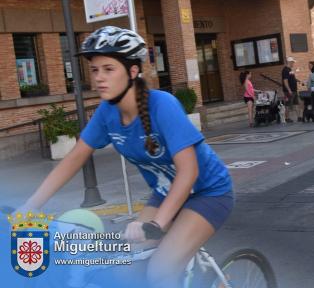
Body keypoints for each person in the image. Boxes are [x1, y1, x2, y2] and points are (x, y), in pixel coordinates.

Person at [18, 26, 233, 288]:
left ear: (132, 72)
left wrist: (156, 223)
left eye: (108, 69)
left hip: (208, 193)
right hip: (166, 193)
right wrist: (29, 208)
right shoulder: (107, 113)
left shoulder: (162, 105)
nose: (99, 78)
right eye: (95, 70)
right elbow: (73, 160)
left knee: (160, 271)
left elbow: (188, 172)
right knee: (127, 266)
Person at [282, 56, 299, 122]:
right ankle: (287, 118)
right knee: (288, 104)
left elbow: (291, 78)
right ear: (289, 62)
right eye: (292, 62)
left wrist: (297, 80)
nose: (293, 64)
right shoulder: (285, 70)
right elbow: (285, 81)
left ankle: (299, 117)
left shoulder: (290, 70)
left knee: (296, 103)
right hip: (288, 91)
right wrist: (289, 90)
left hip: (294, 90)